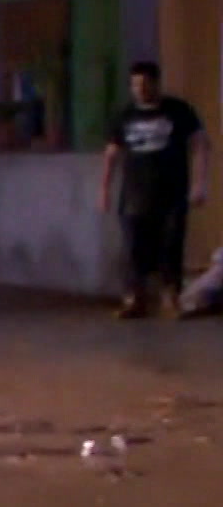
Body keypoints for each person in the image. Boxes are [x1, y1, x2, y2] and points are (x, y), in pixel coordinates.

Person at [99, 61, 209, 318]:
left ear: (157, 84)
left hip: (172, 192)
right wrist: (104, 189)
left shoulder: (178, 110)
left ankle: (170, 297)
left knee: (171, 244)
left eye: (146, 84)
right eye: (136, 85)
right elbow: (111, 154)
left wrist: (200, 184)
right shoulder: (124, 115)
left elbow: (200, 145)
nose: (141, 90)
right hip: (134, 194)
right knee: (133, 248)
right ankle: (134, 298)